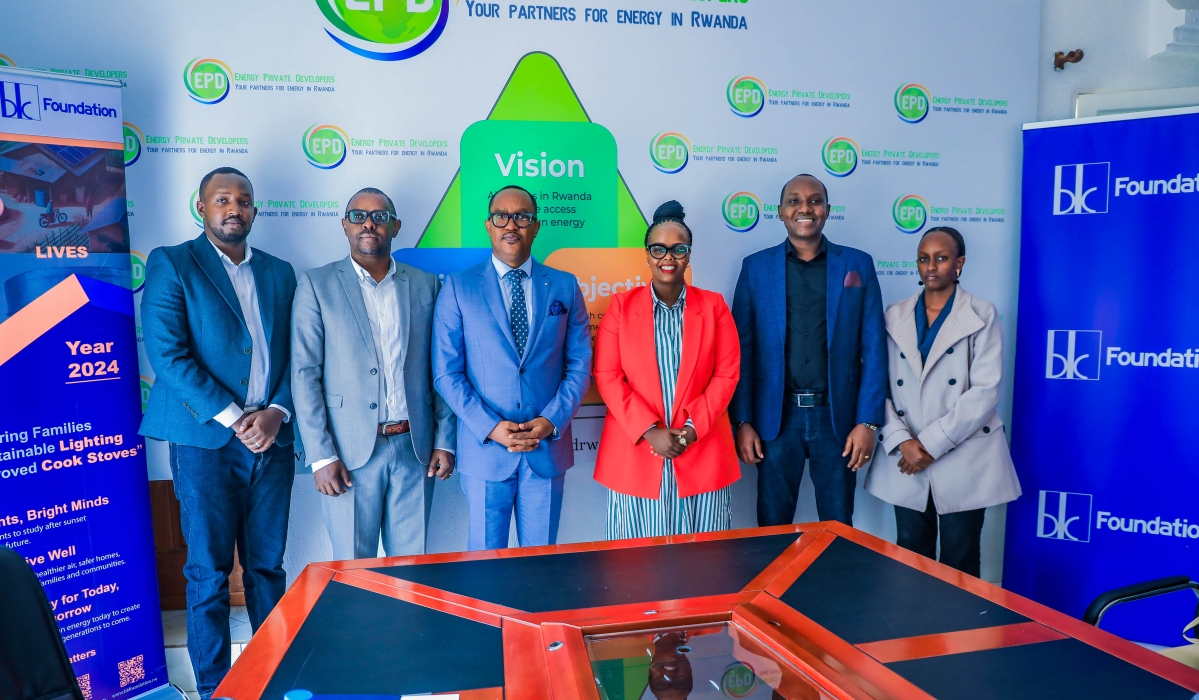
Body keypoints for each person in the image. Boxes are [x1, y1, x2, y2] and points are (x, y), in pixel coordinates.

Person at [139, 167, 296, 699]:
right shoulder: (173, 262)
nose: (235, 209)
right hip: (205, 441)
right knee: (208, 572)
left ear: (254, 210)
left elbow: (299, 353)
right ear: (201, 208)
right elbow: (168, 354)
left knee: (267, 568)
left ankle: (275, 677)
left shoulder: (279, 272)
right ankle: (215, 688)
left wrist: (276, 411)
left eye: (244, 200)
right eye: (222, 199)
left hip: (272, 438)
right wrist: (234, 418)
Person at [291, 188, 456, 560]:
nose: (369, 223)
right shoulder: (316, 285)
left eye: (380, 216)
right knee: (354, 566)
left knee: (412, 566)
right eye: (358, 216)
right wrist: (321, 456)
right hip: (347, 454)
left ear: (395, 227)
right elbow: (304, 374)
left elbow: (441, 368)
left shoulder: (426, 284)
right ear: (345, 225)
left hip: (415, 448)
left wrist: (445, 439)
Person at [432, 185, 591, 550]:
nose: (511, 225)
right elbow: (446, 372)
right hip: (486, 452)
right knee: (486, 566)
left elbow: (580, 365)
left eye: (522, 217)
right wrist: (491, 427)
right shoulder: (458, 287)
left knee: (541, 564)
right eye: (501, 216)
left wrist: (551, 420)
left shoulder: (564, 286)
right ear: (489, 225)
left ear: (536, 226)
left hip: (545, 449)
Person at [730, 174, 887, 527]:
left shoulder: (857, 265)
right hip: (774, 420)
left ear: (827, 210)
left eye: (815, 201)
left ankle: (836, 569)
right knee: (772, 528)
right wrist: (742, 421)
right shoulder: (756, 268)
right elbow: (742, 350)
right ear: (780, 211)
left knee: (838, 527)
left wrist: (867, 422)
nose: (805, 208)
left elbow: (875, 348)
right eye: (794, 201)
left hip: (838, 419)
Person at [864, 227, 1020, 577]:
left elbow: (985, 390)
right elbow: (877, 384)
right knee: (910, 556)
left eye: (941, 258)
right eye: (924, 258)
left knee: (960, 556)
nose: (931, 266)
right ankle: (912, 616)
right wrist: (901, 441)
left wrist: (930, 445)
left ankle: (962, 618)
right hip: (906, 457)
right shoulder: (893, 314)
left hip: (963, 454)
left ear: (959, 263)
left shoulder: (982, 313)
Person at [593, 201, 740, 539]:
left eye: (678, 249)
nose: (668, 257)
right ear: (647, 255)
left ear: (688, 255)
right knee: (636, 561)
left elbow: (726, 374)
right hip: (635, 456)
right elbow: (607, 376)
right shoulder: (621, 307)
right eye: (658, 249)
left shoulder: (714, 306)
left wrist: (690, 430)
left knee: (705, 560)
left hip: (702, 451)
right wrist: (650, 431)